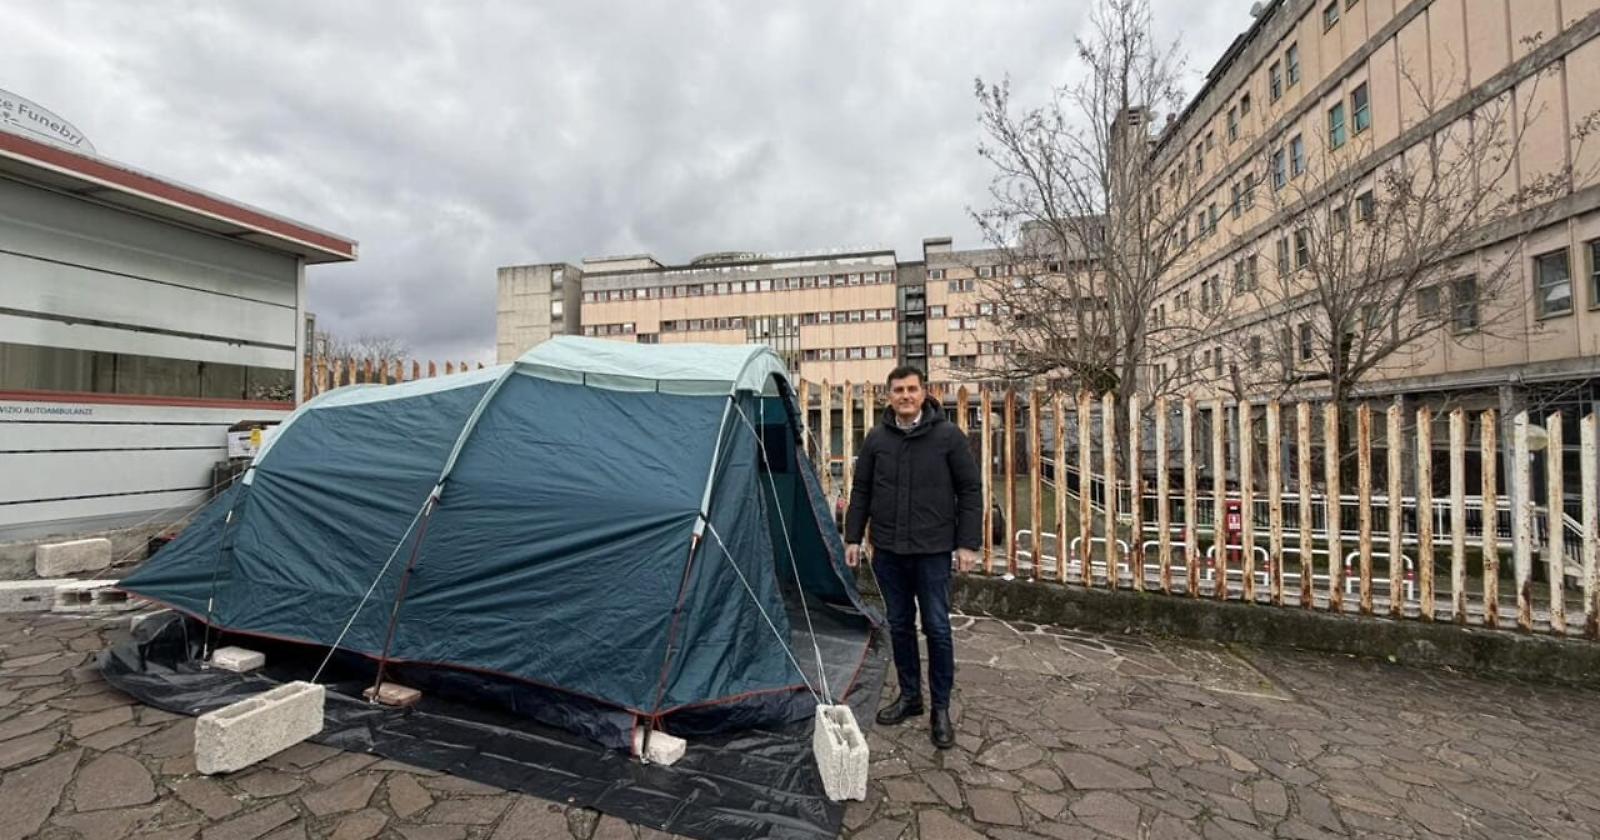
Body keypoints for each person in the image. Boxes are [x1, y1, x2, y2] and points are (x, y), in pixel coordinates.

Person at [843, 365, 981, 749]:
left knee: (936, 627)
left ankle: (941, 709)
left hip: (932, 551)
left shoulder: (948, 437)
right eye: (898, 390)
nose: (905, 396)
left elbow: (970, 490)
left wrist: (967, 544)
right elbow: (862, 490)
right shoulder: (876, 440)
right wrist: (853, 537)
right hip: (888, 551)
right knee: (899, 626)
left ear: (924, 392)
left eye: (911, 389)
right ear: (888, 396)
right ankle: (909, 697)